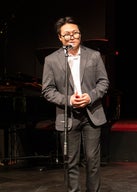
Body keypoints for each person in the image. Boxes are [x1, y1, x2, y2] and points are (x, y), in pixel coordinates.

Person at [41, 16, 109, 192]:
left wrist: (91, 96)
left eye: (75, 33)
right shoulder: (52, 60)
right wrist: (68, 100)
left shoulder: (93, 56)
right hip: (67, 116)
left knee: (92, 160)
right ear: (60, 37)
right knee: (71, 161)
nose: (72, 37)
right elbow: (47, 90)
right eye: (67, 34)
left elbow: (103, 82)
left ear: (80, 35)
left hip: (92, 113)